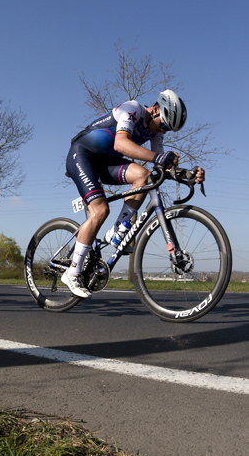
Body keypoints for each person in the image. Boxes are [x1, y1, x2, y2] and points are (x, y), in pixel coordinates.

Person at [62, 89, 204, 299]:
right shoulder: (132, 109)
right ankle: (72, 272)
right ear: (156, 109)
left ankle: (119, 227)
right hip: (82, 155)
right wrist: (159, 158)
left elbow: (161, 165)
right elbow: (121, 144)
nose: (163, 130)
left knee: (145, 176)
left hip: (106, 163)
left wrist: (187, 174)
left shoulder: (157, 131)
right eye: (164, 124)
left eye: (168, 129)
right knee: (100, 210)